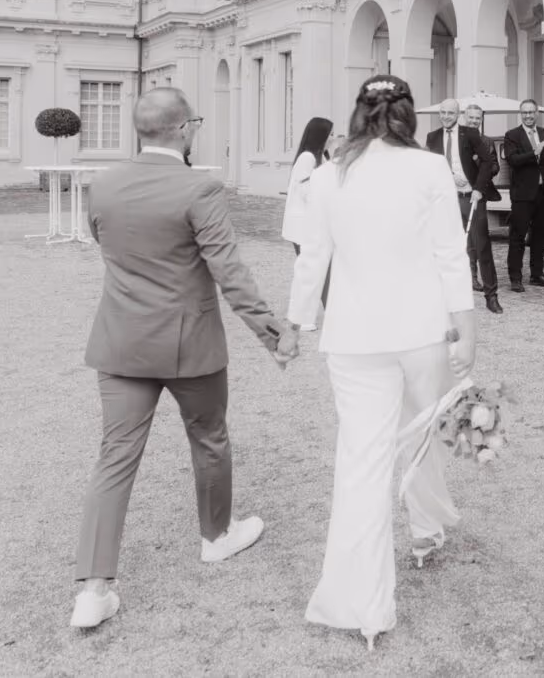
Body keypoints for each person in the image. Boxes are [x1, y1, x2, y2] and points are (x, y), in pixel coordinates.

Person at [69, 88, 296, 630]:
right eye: (193, 122)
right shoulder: (200, 187)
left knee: (114, 458)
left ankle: (93, 589)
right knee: (209, 437)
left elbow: (99, 237)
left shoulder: (103, 183)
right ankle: (216, 536)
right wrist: (272, 331)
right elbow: (228, 269)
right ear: (181, 130)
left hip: (122, 341)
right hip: (189, 343)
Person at [287, 74, 476, 652]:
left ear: (359, 114)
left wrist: (296, 326)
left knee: (362, 462)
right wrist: (466, 331)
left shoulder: (327, 175)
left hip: (353, 335)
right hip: (421, 330)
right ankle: (423, 531)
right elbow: (451, 253)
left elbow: (311, 258)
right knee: (419, 432)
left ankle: (363, 606)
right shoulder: (428, 169)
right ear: (407, 115)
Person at [424, 99, 503, 315]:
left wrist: (479, 188)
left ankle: (491, 296)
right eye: (443, 112)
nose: (446, 116)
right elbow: (430, 167)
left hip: (472, 197)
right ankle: (445, 296)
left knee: (481, 246)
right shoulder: (432, 137)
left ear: (458, 114)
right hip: (447, 199)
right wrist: (449, 176)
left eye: (450, 112)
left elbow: (487, 162)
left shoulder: (470, 134)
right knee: (447, 247)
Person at [501, 99, 544, 291]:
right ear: (521, 114)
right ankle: (515, 277)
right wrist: (534, 153)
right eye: (524, 112)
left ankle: (537, 274)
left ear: (537, 114)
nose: (528, 116)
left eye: (531, 112)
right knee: (517, 237)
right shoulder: (512, 135)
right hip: (523, 195)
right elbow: (512, 160)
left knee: (539, 237)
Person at [283, 117, 334, 330]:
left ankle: (331, 313)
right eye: (330, 134)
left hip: (313, 224)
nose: (333, 137)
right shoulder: (307, 158)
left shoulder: (319, 156)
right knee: (311, 270)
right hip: (303, 225)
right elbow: (306, 191)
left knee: (321, 269)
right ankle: (304, 318)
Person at [460, 104, 487, 289]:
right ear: (464, 117)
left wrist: (481, 164)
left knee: (474, 238)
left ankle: (472, 276)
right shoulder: (456, 138)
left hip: (475, 195)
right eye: (471, 117)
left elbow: (494, 167)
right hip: (455, 194)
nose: (474, 121)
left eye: (478, 118)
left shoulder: (486, 141)